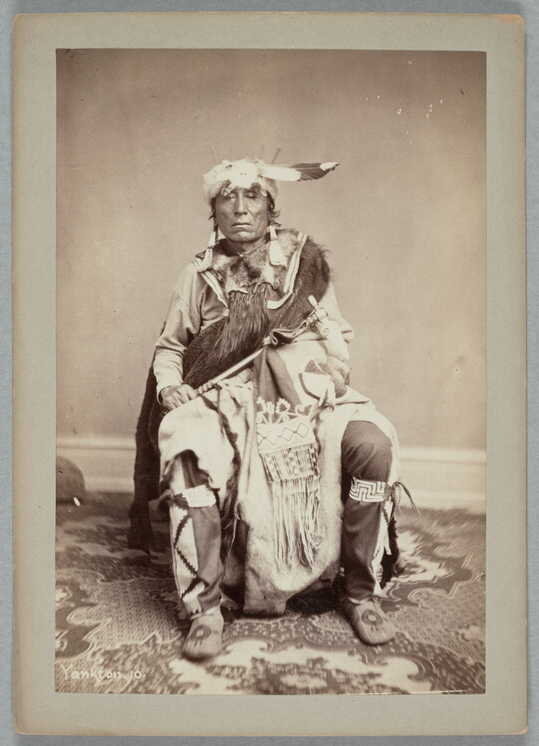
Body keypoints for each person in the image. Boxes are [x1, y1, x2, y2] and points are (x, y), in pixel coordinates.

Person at [151, 158, 406, 661]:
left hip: (307, 394)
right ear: (214, 211)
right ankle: (204, 608)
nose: (240, 207)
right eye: (228, 197)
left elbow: (337, 334)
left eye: (252, 196)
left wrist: (331, 372)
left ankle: (359, 592)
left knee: (373, 444)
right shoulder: (198, 274)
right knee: (185, 448)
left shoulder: (302, 262)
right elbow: (170, 347)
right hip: (231, 399)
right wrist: (169, 387)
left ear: (270, 206)